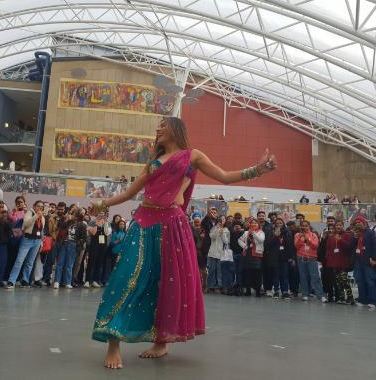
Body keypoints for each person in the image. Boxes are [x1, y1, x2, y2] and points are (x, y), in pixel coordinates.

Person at [90, 117, 276, 369]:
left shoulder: (192, 156)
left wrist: (258, 169)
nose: (158, 130)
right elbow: (129, 193)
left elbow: (224, 176)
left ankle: (161, 341)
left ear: (176, 130)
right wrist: (102, 204)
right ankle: (113, 342)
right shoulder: (153, 162)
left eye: (163, 127)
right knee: (126, 277)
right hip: (143, 223)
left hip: (173, 226)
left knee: (167, 282)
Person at [6, 200, 46, 289]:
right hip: (27, 240)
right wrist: (36, 216)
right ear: (34, 206)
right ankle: (11, 281)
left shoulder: (42, 218)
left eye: (42, 207)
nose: (40, 208)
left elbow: (41, 231)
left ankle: (25, 280)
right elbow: (26, 224)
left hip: (37, 241)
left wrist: (41, 243)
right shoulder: (29, 213)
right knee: (19, 260)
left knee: (30, 262)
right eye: (38, 206)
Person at [294, 220, 326, 302]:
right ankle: (305, 294)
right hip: (301, 257)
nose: (304, 227)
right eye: (303, 226)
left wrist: (307, 239)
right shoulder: (297, 235)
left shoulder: (313, 235)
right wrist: (301, 239)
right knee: (303, 277)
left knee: (315, 276)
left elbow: (315, 246)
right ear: (300, 227)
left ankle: (320, 295)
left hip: (312, 258)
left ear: (309, 226)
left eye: (306, 225)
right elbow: (296, 246)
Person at [351, 216, 376, 308]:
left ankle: (373, 301)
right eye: (356, 223)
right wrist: (355, 237)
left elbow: (374, 245)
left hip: (367, 260)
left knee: (370, 280)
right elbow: (351, 246)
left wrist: (374, 258)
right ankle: (362, 299)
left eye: (360, 223)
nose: (358, 224)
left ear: (364, 223)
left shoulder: (370, 233)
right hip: (358, 260)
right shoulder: (355, 233)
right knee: (360, 280)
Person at [324, 220, 354, 304]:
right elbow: (328, 249)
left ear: (343, 226)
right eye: (337, 225)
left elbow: (349, 247)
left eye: (340, 225)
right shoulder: (331, 237)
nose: (338, 226)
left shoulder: (347, 235)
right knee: (338, 281)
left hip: (343, 261)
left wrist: (341, 240)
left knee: (345, 280)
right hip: (334, 262)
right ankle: (341, 297)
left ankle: (350, 297)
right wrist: (329, 259)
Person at [266, 217, 294, 299]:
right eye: (277, 223)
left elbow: (290, 246)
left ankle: (285, 292)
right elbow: (268, 244)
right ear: (274, 225)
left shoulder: (287, 232)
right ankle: (276, 292)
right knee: (276, 275)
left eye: (280, 223)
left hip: (284, 258)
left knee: (284, 275)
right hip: (274, 257)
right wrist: (275, 236)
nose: (279, 225)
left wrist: (291, 257)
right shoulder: (271, 232)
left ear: (283, 224)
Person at [238, 218, 265, 296]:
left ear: (258, 225)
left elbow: (261, 240)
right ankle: (248, 290)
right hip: (247, 254)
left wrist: (254, 233)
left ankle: (257, 291)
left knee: (257, 274)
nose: (254, 224)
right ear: (250, 224)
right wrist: (245, 246)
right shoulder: (246, 232)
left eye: (255, 223)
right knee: (248, 273)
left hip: (257, 254)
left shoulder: (260, 232)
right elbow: (239, 240)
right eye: (252, 223)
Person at [53, 211, 79, 289]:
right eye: (72, 215)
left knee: (69, 265)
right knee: (60, 263)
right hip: (64, 243)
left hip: (73, 245)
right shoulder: (66, 223)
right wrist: (67, 219)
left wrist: (78, 244)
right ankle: (57, 281)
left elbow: (83, 236)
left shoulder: (80, 225)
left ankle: (67, 282)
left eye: (75, 215)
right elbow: (59, 225)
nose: (73, 216)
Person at [85, 213, 111, 288]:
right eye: (100, 213)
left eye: (103, 214)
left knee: (99, 263)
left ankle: (95, 280)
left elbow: (107, 232)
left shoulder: (107, 223)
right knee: (91, 262)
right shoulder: (92, 222)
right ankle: (87, 280)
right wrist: (96, 224)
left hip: (102, 245)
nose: (101, 215)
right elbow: (93, 232)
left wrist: (106, 223)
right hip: (94, 244)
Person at [207, 215, 229, 293]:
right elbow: (212, 237)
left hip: (221, 254)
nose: (221, 221)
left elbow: (226, 241)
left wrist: (222, 231)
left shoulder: (226, 229)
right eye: (220, 219)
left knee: (220, 272)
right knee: (211, 270)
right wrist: (217, 229)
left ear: (225, 221)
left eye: (223, 219)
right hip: (212, 253)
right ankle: (210, 286)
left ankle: (221, 286)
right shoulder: (213, 228)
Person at [191, 215, 207, 292]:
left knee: (203, 269)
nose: (197, 223)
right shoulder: (191, 229)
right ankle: (198, 284)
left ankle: (204, 284)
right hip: (194, 251)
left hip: (201, 252)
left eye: (198, 222)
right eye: (195, 222)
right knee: (196, 269)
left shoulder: (202, 230)